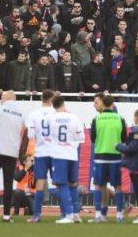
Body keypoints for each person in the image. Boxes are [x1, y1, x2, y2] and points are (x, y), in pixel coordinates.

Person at [0, 91, 27, 222]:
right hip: (12, 152)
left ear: (8, 98)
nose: (0, 99)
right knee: (8, 185)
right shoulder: (20, 114)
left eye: (2, 97)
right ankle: (6, 215)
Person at [47, 96, 86, 224]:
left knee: (61, 184)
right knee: (73, 184)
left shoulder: (50, 118)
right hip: (72, 154)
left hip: (59, 155)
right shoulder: (74, 118)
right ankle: (75, 214)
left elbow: (47, 137)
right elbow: (81, 138)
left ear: (53, 106)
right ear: (64, 104)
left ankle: (68, 214)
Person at [89, 94, 127, 222]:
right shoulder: (120, 118)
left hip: (100, 156)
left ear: (103, 103)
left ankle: (99, 214)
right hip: (115, 156)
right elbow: (124, 138)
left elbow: (92, 138)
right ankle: (119, 214)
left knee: (99, 185)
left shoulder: (96, 118)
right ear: (113, 104)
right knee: (118, 186)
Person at [25, 89, 55, 223]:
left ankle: (37, 215)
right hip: (56, 152)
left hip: (41, 151)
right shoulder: (57, 113)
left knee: (40, 183)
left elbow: (30, 135)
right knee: (60, 183)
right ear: (51, 99)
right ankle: (67, 213)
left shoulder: (33, 114)